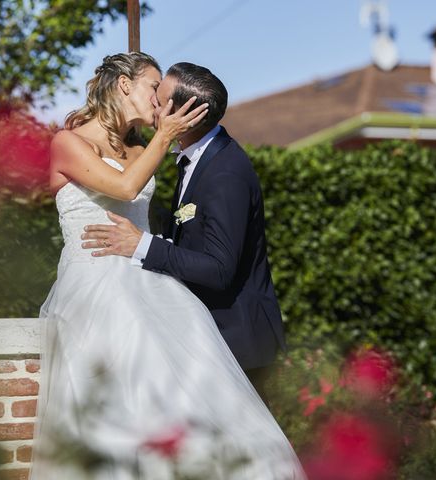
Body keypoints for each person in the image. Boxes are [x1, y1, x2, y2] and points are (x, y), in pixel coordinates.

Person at [31, 52, 305, 480]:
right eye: (151, 88)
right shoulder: (69, 143)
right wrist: (167, 135)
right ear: (124, 85)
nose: (158, 103)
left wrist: (158, 141)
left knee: (183, 398)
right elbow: (125, 185)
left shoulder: (143, 147)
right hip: (95, 283)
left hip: (148, 277)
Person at [81, 62, 286, 400]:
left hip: (239, 343)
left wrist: (141, 244)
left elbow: (219, 269)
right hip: (211, 338)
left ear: (185, 112)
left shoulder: (225, 171)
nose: (153, 106)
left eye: (159, 101)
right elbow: (193, 237)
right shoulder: (196, 159)